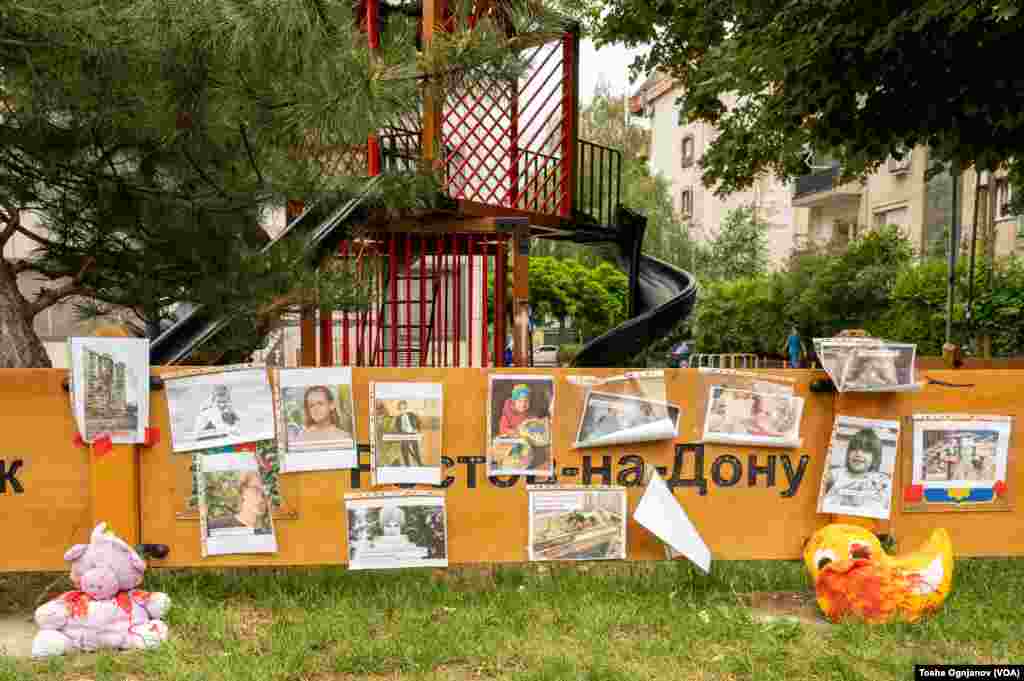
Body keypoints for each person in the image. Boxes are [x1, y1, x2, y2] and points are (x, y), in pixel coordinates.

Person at [822, 428, 892, 511]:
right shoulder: (839, 473)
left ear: (875, 458)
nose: (858, 453)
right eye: (854, 449)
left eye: (866, 450)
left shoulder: (881, 479)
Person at [393, 400, 422, 466]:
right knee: (404, 446)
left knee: (415, 447)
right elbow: (396, 428)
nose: (403, 410)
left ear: (406, 408)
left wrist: (417, 429)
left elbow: (419, 423)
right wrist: (400, 433)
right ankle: (407, 464)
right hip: (404, 434)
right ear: (399, 409)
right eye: (401, 409)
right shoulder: (398, 418)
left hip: (412, 433)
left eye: (404, 408)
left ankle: (419, 462)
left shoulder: (412, 415)